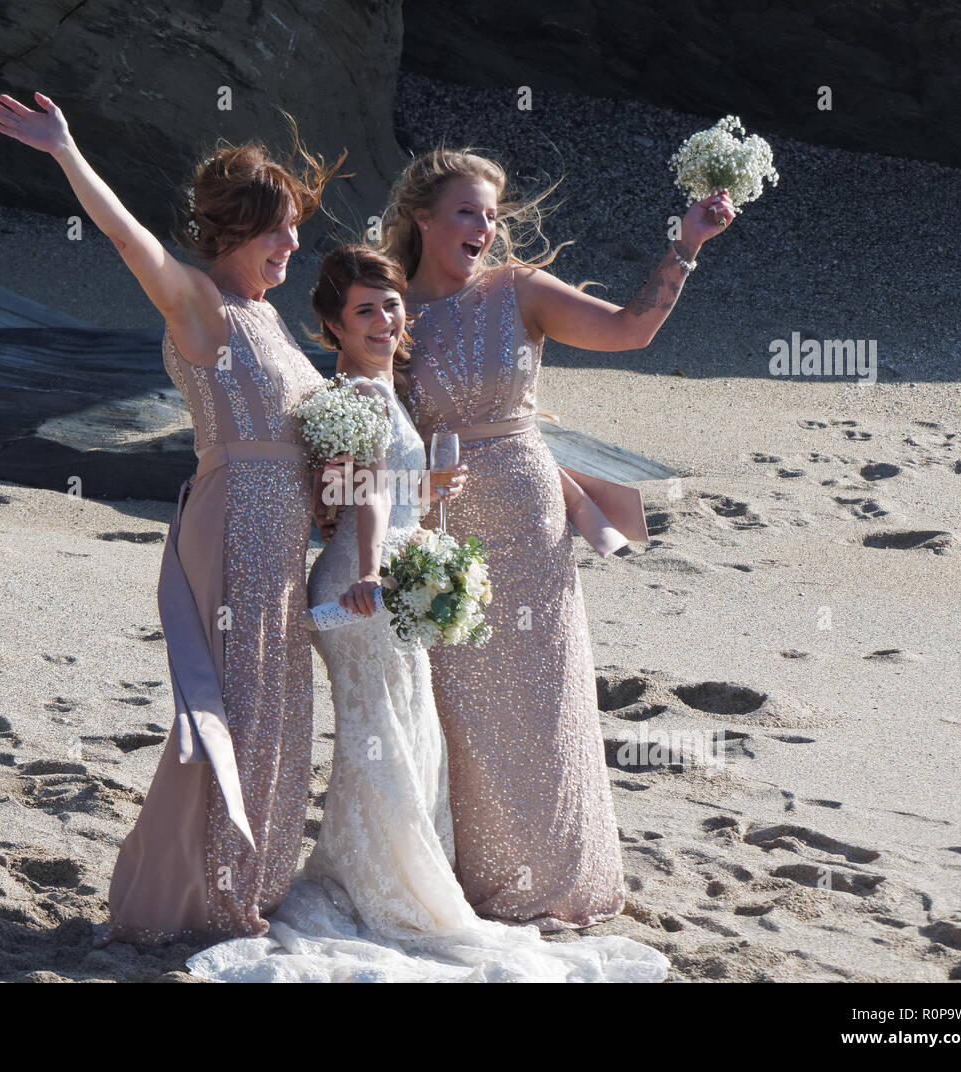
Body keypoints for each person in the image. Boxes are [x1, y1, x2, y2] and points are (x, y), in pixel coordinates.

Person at [183, 245, 670, 981]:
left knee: (399, 739)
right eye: (364, 311)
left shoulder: (374, 392)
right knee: (394, 741)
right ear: (333, 325)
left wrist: (431, 487)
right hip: (362, 586)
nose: (384, 321)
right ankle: (392, 891)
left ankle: (380, 878)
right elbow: (365, 495)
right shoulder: (359, 396)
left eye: (390, 306)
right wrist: (379, 567)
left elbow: (378, 487)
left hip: (375, 579)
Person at [0, 91, 346, 944]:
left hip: (282, 539)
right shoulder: (200, 304)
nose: (294, 245)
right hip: (229, 531)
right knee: (238, 708)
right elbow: (126, 239)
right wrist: (66, 152)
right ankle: (206, 897)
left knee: (281, 711)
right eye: (279, 230)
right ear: (231, 233)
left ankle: (244, 883)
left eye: (296, 228)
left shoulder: (269, 320)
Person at [380, 146, 734, 930]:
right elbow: (368, 418)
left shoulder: (519, 292)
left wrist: (686, 246)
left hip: (529, 522)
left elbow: (630, 331)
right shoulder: (388, 306)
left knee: (544, 706)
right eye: (467, 211)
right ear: (423, 218)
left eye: (492, 214)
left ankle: (559, 885)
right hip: (436, 528)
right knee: (457, 710)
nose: (484, 226)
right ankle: (470, 881)